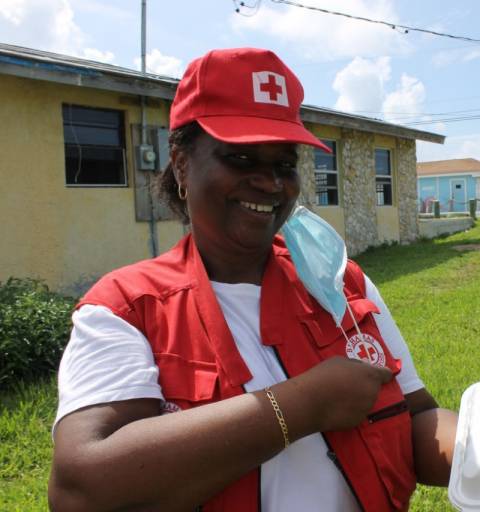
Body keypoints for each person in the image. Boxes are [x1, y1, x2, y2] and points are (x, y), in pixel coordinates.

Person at [48, 48, 457, 511]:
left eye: (284, 164)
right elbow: (80, 489)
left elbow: (416, 418)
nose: (270, 183)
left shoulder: (338, 282)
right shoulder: (127, 309)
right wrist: (301, 406)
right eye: (241, 158)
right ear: (181, 163)